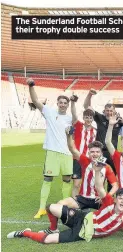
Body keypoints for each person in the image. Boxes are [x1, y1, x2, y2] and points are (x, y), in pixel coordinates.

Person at [7, 161, 123, 247]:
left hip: (83, 232)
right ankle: (53, 228)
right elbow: (99, 187)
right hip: (82, 218)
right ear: (116, 199)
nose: (122, 201)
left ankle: (25, 232)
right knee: (51, 207)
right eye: (120, 198)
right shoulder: (109, 202)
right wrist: (98, 172)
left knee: (48, 241)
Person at [45, 128, 118, 223]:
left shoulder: (107, 167)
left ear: (101, 153)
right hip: (83, 198)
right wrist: (69, 135)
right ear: (89, 153)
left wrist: (107, 196)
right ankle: (58, 227)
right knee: (60, 204)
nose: (95, 154)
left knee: (118, 209)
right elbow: (72, 149)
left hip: (99, 199)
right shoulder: (85, 161)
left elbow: (115, 185)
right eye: (92, 152)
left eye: (97, 152)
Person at [27, 78, 74, 219]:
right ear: (58, 103)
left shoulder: (70, 119)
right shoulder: (49, 111)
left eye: (65, 103)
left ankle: (65, 207)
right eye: (61, 102)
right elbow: (35, 101)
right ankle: (42, 208)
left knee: (67, 179)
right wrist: (31, 86)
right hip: (52, 152)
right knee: (47, 179)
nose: (63, 105)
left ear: (67, 105)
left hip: (66, 153)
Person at [83, 88, 123, 183]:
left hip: (112, 153)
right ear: (104, 111)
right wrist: (90, 95)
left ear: (114, 111)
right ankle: (99, 196)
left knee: (113, 177)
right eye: (107, 110)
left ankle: (111, 197)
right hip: (101, 153)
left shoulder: (118, 122)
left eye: (111, 110)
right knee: (99, 175)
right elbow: (87, 106)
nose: (109, 112)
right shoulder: (100, 118)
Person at [69, 94, 97, 197]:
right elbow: (73, 114)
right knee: (76, 184)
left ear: (92, 119)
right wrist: (72, 103)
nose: (88, 119)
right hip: (77, 158)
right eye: (86, 117)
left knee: (89, 183)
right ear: (83, 117)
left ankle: (85, 202)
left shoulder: (95, 131)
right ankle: (74, 203)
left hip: (89, 160)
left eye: (90, 118)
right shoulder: (78, 125)